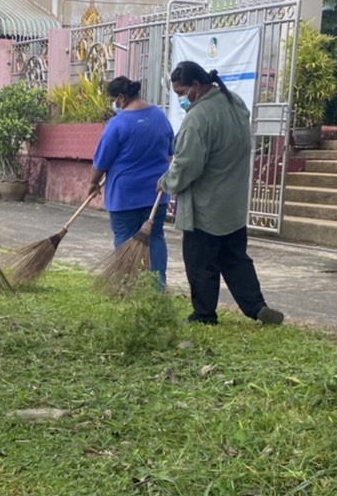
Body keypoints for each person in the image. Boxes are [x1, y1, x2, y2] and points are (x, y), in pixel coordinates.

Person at [161, 61, 284, 326]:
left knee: (200, 263)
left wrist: (166, 182)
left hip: (206, 206)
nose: (182, 99)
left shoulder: (198, 118)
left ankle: (204, 315)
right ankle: (256, 307)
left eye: (182, 93)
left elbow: (187, 165)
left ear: (196, 85)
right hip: (233, 204)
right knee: (235, 259)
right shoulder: (234, 102)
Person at [89, 75, 174, 288]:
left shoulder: (117, 124)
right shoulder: (159, 117)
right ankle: (157, 286)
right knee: (155, 237)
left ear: (121, 98)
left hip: (124, 195)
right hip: (157, 193)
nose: (113, 104)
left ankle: (127, 285)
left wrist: (93, 182)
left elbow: (102, 160)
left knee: (125, 239)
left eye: (112, 99)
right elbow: (171, 151)